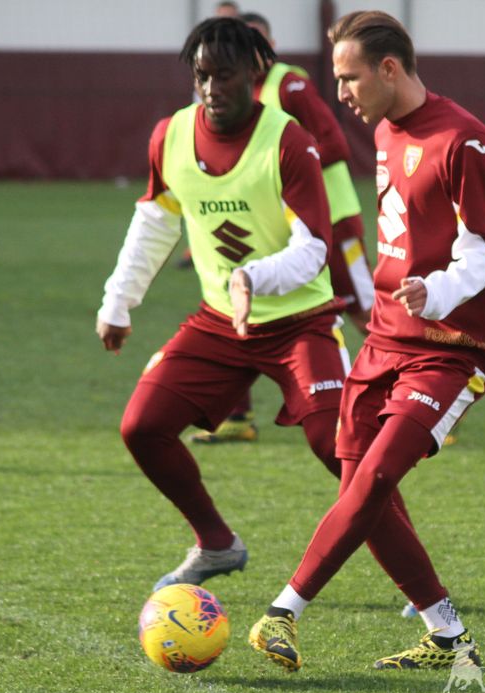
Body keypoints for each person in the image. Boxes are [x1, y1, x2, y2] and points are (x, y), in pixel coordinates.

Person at [249, 10, 485, 672]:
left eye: (349, 78)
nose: (339, 95)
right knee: (358, 486)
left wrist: (437, 292)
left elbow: (483, 258)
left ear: (389, 69)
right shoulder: (389, 129)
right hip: (384, 338)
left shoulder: (465, 142)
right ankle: (449, 637)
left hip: (452, 348)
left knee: (374, 478)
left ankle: (283, 613)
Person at [96, 17, 348, 591]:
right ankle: (215, 543)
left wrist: (253, 278)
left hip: (300, 323)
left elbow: (315, 249)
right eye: (201, 75)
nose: (211, 88)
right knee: (142, 426)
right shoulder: (171, 135)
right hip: (219, 325)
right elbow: (156, 221)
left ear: (255, 74)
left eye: (224, 75)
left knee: (341, 450)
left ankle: (420, 586)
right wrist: (118, 301)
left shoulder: (288, 140)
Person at [188, 10, 376, 445]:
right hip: (275, 228)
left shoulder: (289, 84)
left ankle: (418, 391)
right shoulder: (230, 97)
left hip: (332, 219)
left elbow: (335, 144)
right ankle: (237, 415)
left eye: (255, 43)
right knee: (240, 304)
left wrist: (282, 165)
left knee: (365, 309)